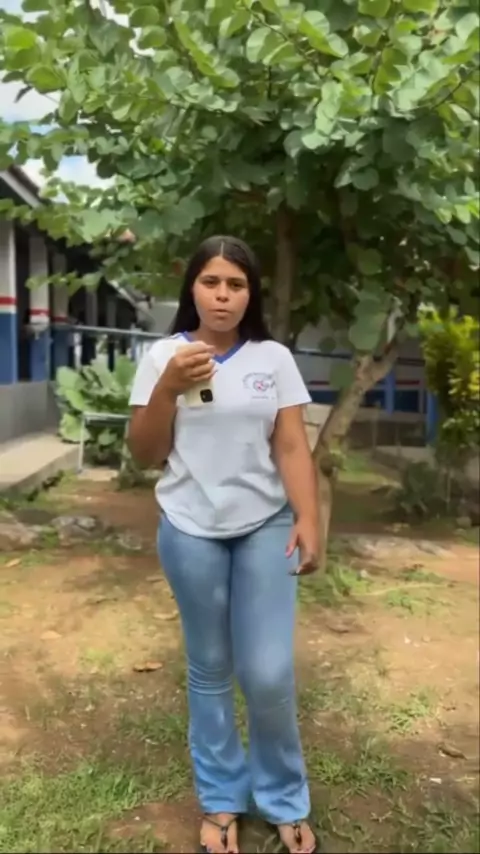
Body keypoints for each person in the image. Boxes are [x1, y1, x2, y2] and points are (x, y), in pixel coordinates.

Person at [128, 236, 321, 854]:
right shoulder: (164, 356)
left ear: (250, 294)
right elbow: (145, 453)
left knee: (268, 671)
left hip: (265, 525)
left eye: (236, 284)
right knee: (210, 668)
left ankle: (284, 798)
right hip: (189, 527)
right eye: (211, 282)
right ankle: (220, 799)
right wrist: (167, 388)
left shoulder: (273, 359)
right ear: (192, 288)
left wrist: (308, 517)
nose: (222, 295)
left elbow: (290, 445)